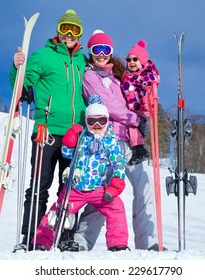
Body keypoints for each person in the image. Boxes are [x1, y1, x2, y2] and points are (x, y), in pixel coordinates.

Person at [74, 30, 162, 251]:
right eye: (97, 50)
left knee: (145, 189)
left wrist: (146, 102)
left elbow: (137, 88)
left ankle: (148, 242)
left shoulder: (118, 77)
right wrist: (135, 118)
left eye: (106, 50)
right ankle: (81, 242)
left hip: (131, 142)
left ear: (111, 52)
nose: (102, 54)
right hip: (108, 142)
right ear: (91, 52)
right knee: (103, 190)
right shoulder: (90, 77)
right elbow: (108, 107)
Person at [9, 9, 88, 249]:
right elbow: (21, 85)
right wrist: (16, 67)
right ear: (58, 31)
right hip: (46, 131)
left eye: (74, 30)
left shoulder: (83, 61)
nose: (69, 34)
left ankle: (65, 237)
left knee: (69, 189)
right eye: (65, 28)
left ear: (79, 33)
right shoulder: (43, 56)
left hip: (75, 135)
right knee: (40, 185)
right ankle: (30, 237)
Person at [33, 98, 129, 252]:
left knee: (116, 208)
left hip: (97, 190)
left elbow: (118, 163)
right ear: (86, 121)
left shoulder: (111, 141)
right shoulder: (82, 137)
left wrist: (115, 185)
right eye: (92, 122)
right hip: (75, 189)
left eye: (101, 121)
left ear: (107, 121)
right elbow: (66, 154)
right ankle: (41, 242)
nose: (97, 126)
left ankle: (117, 244)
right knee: (57, 212)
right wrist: (70, 140)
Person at [121, 40, 160, 165]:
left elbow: (153, 79)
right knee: (132, 129)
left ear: (142, 61)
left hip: (143, 110)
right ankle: (137, 151)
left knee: (135, 129)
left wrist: (143, 82)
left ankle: (139, 150)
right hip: (133, 110)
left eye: (135, 59)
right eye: (129, 60)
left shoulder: (145, 74)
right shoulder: (127, 76)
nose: (131, 62)